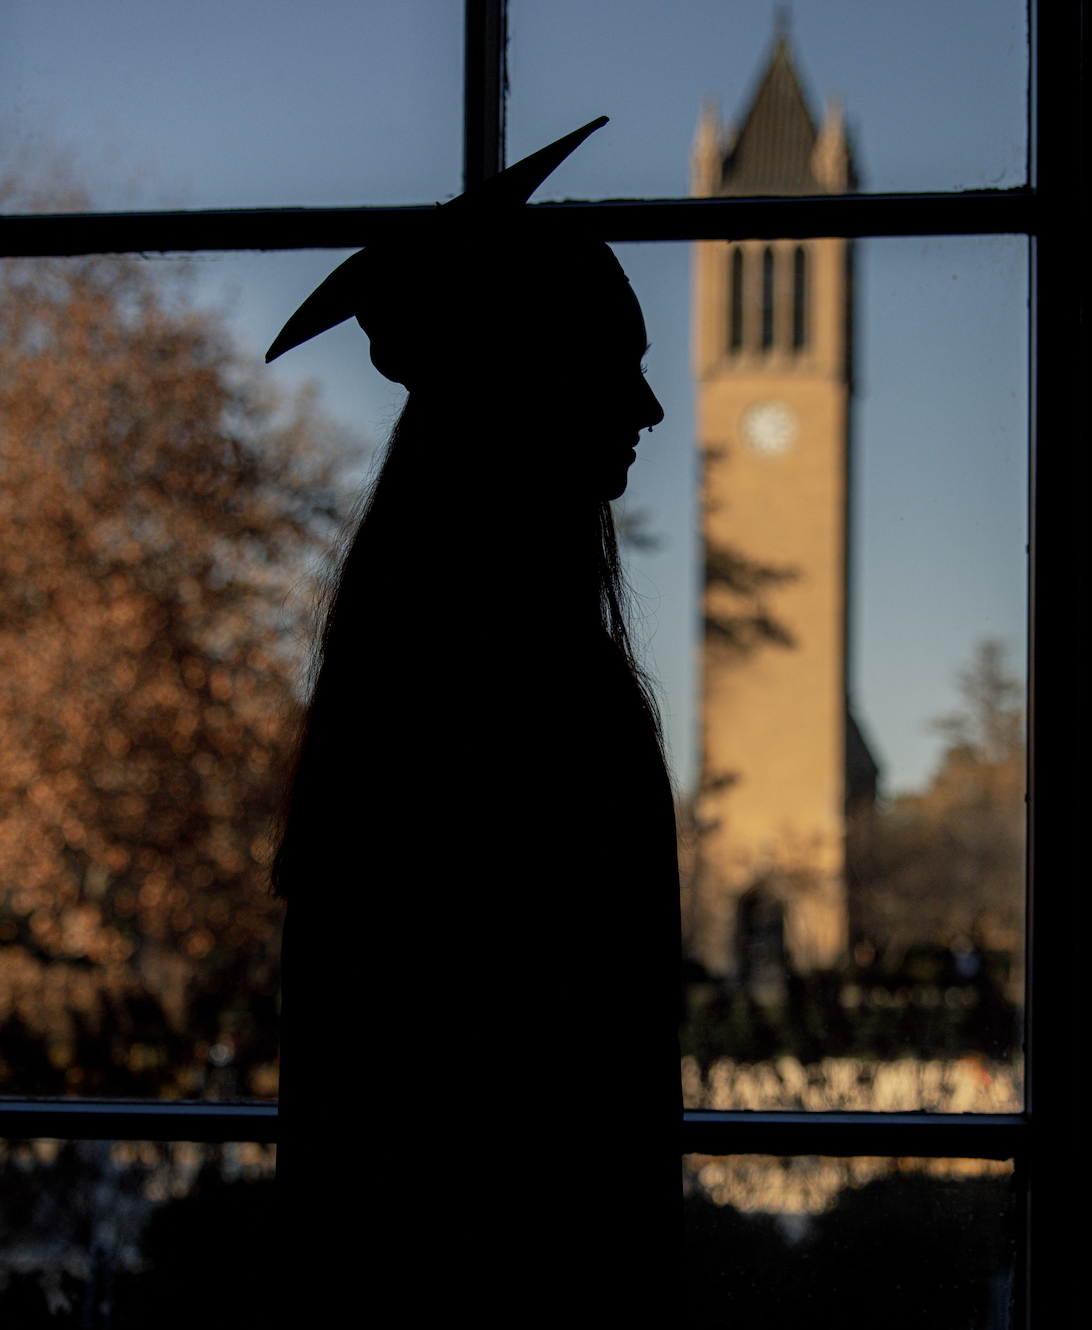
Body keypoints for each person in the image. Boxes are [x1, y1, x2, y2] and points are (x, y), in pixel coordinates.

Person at [267, 119, 680, 1323]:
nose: (650, 405)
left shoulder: (405, 682)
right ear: (529, 390)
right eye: (618, 361)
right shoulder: (534, 699)